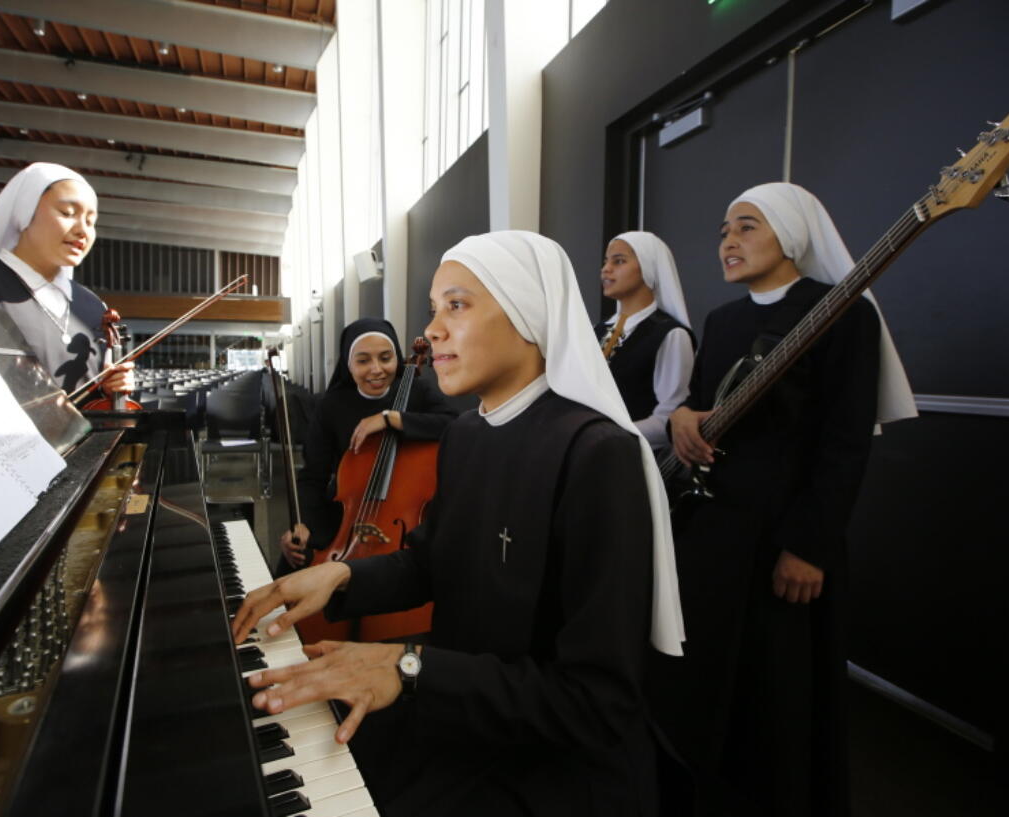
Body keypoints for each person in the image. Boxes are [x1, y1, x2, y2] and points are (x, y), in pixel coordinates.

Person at [233, 231, 685, 817]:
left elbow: (594, 701)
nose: (432, 331)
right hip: (464, 714)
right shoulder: (467, 434)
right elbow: (432, 560)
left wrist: (408, 665)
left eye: (457, 305)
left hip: (551, 767)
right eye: (433, 309)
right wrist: (340, 578)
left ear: (527, 313)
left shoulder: (597, 454)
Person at [653, 183, 916, 817]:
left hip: (786, 540)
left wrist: (808, 545)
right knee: (701, 687)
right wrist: (681, 420)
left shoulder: (843, 312)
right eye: (723, 230)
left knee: (778, 696)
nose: (728, 241)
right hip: (711, 532)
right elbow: (702, 409)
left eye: (746, 227)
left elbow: (845, 441)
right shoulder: (721, 320)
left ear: (791, 235)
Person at [275, 317, 455, 574]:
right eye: (363, 360)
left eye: (385, 358)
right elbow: (313, 476)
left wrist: (391, 418)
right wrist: (302, 524)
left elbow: (454, 424)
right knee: (295, 567)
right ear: (348, 364)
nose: (376, 369)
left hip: (407, 518)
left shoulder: (417, 391)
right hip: (346, 516)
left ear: (397, 357)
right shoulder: (331, 406)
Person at [0, 163, 133, 397]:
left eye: (91, 221)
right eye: (68, 213)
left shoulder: (93, 306)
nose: (83, 230)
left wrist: (112, 388)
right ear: (25, 212)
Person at [596, 231, 695, 453]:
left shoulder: (669, 335)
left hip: (634, 459)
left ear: (648, 268)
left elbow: (669, 418)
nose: (606, 269)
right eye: (606, 262)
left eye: (619, 261)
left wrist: (607, 436)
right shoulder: (598, 330)